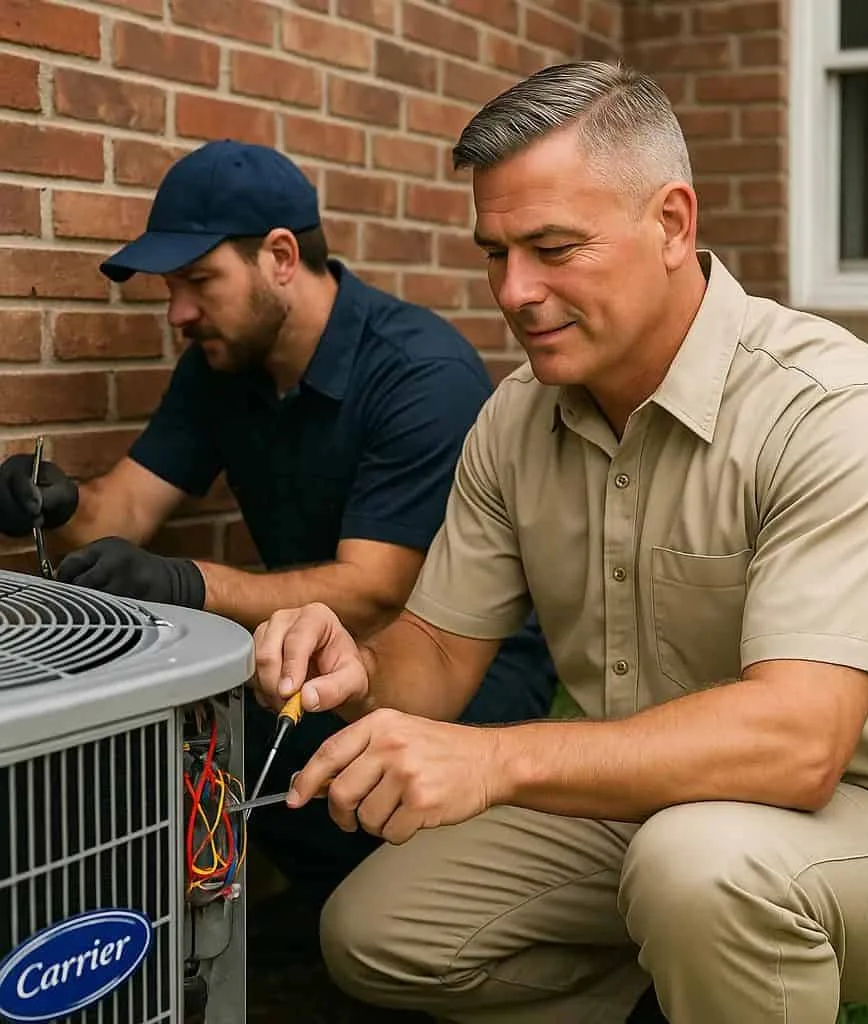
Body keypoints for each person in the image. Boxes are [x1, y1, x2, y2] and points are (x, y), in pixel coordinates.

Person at [250, 60, 868, 1024]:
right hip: (644, 805)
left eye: (554, 247)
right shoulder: (516, 419)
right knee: (377, 930)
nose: (515, 292)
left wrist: (497, 762)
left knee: (700, 871)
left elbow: (799, 746)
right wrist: (351, 666)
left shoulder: (832, 412)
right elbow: (439, 656)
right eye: (496, 253)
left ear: (673, 224)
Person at [0, 139, 557, 921]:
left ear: (281, 256)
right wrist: (53, 505)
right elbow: (121, 513)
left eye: (198, 282)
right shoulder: (222, 365)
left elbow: (374, 593)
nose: (178, 314)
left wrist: (188, 583)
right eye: (170, 288)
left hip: (457, 672)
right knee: (204, 728)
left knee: (232, 744)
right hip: (307, 650)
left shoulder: (418, 372)